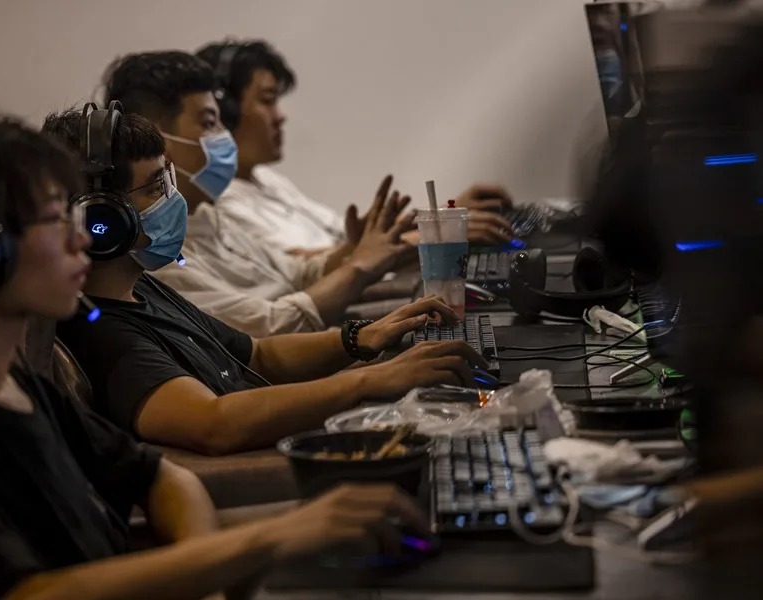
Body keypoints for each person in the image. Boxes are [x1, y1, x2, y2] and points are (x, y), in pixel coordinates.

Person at [0, 101, 433, 600]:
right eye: (54, 219)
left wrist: (206, 577)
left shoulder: (21, 385)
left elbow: (163, 479)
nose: (80, 237)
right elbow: (30, 593)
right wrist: (264, 541)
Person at [46, 106, 485, 456]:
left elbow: (260, 354)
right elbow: (213, 422)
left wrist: (359, 338)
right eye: (156, 187)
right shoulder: (102, 332)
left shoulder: (142, 287)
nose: (172, 198)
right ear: (102, 219)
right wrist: (368, 380)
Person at [102, 50, 418, 336]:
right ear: (157, 141)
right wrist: (359, 265)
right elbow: (269, 328)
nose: (224, 135)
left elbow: (298, 273)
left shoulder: (207, 215)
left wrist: (353, 247)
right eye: (209, 123)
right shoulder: (157, 255)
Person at [195, 39, 519, 255]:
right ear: (225, 111)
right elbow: (309, 269)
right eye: (268, 101)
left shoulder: (266, 180)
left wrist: (443, 215)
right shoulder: (219, 202)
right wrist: (438, 232)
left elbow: (352, 240)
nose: (281, 116)